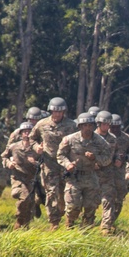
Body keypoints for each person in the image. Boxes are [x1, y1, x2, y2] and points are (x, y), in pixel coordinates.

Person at [57, 112, 111, 228]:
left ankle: (86, 230)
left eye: (90, 125)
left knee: (90, 207)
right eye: (85, 125)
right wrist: (67, 164)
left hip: (91, 176)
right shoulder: (69, 139)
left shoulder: (100, 141)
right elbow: (60, 155)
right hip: (74, 177)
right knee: (72, 206)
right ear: (80, 126)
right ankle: (69, 225)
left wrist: (96, 158)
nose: (87, 128)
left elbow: (108, 158)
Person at [30, 97, 77, 229]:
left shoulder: (72, 125)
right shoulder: (41, 124)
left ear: (64, 112)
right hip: (49, 165)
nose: (57, 114)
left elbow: (78, 142)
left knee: (66, 194)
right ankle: (54, 222)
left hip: (66, 165)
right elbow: (32, 139)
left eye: (60, 111)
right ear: (51, 111)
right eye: (55, 111)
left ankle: (68, 219)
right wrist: (36, 148)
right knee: (51, 193)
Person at [2, 122, 43, 228]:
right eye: (25, 132)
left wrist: (35, 162)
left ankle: (26, 226)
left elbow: (43, 164)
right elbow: (3, 157)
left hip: (32, 180)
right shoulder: (13, 147)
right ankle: (19, 220)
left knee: (30, 204)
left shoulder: (37, 148)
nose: (27, 134)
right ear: (20, 134)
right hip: (18, 178)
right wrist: (9, 163)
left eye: (29, 132)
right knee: (24, 198)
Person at [94, 111, 121, 234]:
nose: (106, 126)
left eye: (108, 124)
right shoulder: (91, 136)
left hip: (108, 174)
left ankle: (105, 226)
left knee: (108, 201)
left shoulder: (112, 138)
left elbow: (115, 154)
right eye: (104, 124)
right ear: (98, 124)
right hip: (92, 175)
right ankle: (87, 222)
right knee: (91, 201)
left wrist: (118, 159)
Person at [108, 114, 129, 228]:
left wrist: (125, 158)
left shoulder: (126, 138)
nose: (114, 129)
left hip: (119, 173)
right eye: (112, 126)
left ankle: (112, 221)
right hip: (105, 171)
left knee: (119, 198)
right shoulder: (103, 136)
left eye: (117, 127)